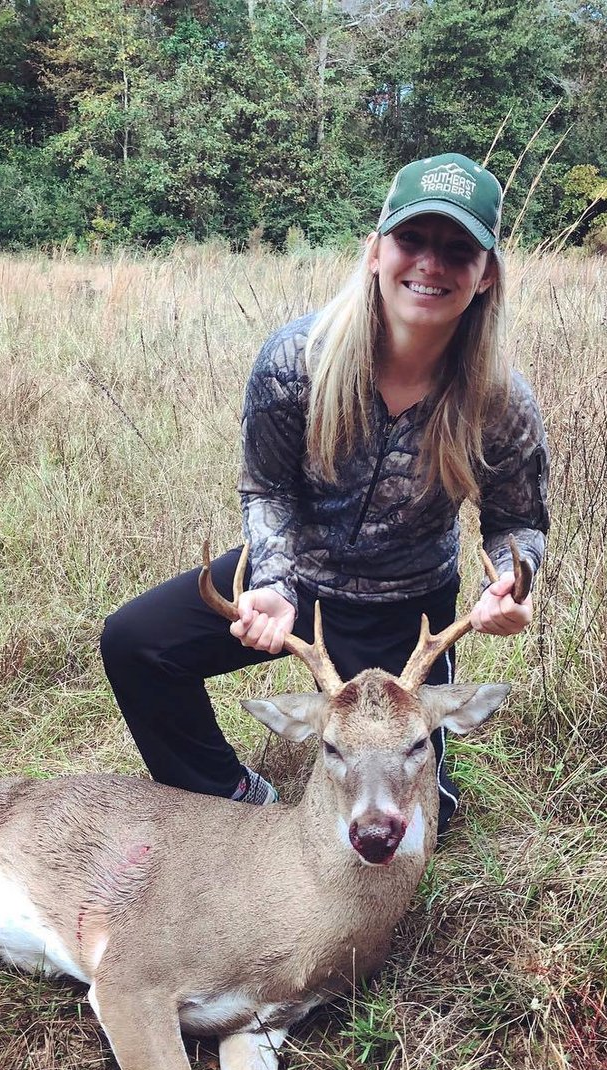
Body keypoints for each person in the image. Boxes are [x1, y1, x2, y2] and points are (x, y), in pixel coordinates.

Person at [100, 152, 549, 825]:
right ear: (375, 252)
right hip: (300, 580)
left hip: (405, 611)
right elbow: (267, 486)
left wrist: (515, 583)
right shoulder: (296, 361)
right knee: (136, 642)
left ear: (486, 278)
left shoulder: (500, 401)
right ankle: (233, 797)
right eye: (412, 240)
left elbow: (519, 519)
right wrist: (276, 583)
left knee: (430, 818)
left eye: (459, 251)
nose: (430, 264)